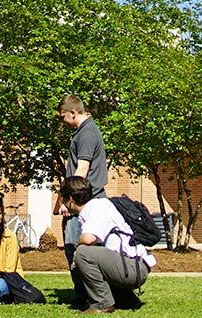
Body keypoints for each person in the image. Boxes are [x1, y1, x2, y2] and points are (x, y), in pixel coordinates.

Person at [59, 176, 156, 314]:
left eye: (62, 199)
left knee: (83, 253)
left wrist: (76, 249)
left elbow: (88, 239)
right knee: (91, 253)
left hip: (133, 268)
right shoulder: (94, 209)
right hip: (130, 266)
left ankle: (102, 304)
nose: (62, 203)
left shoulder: (98, 207)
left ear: (70, 200)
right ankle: (126, 300)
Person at [53, 94, 109, 308]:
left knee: (77, 249)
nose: (63, 121)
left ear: (73, 113)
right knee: (81, 250)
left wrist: (71, 202)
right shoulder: (86, 132)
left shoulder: (86, 134)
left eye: (63, 117)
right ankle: (89, 296)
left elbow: (82, 170)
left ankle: (85, 298)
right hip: (86, 201)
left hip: (85, 203)